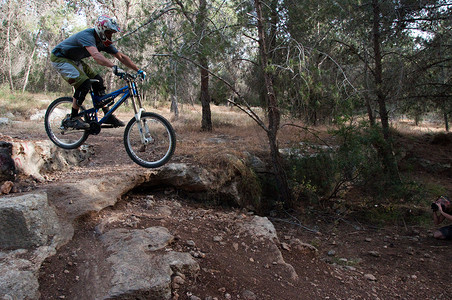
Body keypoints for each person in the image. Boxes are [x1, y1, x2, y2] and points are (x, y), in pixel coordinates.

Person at [50, 15, 145, 129]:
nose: (111, 36)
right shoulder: (87, 36)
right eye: (109, 32)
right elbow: (96, 56)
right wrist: (113, 67)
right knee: (84, 83)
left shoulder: (102, 42)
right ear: (101, 30)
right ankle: (72, 118)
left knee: (98, 80)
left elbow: (121, 57)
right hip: (60, 58)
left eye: (112, 33)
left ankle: (107, 115)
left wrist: (138, 70)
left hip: (74, 60)